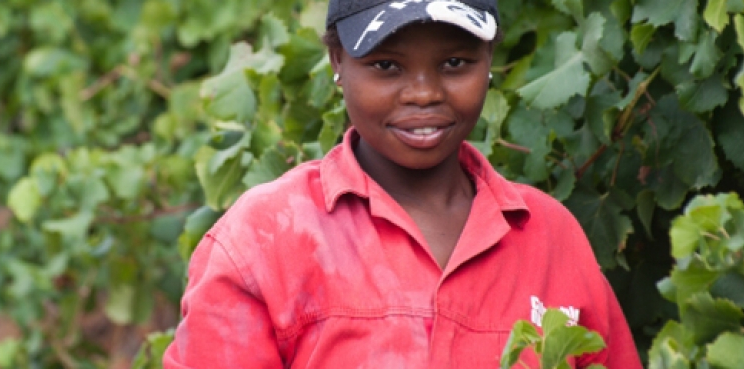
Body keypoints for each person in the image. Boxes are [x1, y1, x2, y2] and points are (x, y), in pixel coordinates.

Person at [163, 0, 643, 367]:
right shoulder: (263, 242)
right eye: (387, 66)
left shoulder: (551, 237)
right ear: (336, 60)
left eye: (454, 63)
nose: (424, 93)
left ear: (489, 56)